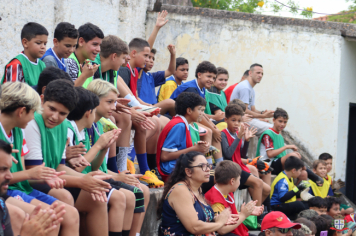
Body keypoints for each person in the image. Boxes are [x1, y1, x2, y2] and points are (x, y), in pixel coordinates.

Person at [24, 79, 113, 236]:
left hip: (49, 178)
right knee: (63, 196)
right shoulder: (32, 122)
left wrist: (88, 179)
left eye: (63, 113)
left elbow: (59, 166)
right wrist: (81, 180)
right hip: (32, 181)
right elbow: (34, 172)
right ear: (42, 99)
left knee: (98, 199)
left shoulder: (63, 125)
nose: (55, 117)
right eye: (51, 109)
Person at [0, 82, 80, 236]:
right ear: (22, 111)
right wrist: (31, 174)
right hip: (6, 191)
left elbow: (21, 177)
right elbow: (14, 178)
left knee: (69, 214)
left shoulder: (18, 131)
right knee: (48, 218)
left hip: (19, 188)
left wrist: (42, 176)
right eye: (33, 113)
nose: (34, 118)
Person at [158, 151, 238, 235]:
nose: (208, 169)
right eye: (202, 166)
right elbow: (194, 227)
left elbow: (200, 217)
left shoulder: (197, 189)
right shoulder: (180, 190)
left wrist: (218, 219)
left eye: (208, 165)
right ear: (188, 172)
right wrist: (219, 223)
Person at [0, 140, 67, 236]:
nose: (10, 176)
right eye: (2, 169)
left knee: (50, 218)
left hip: (21, 189)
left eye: (9, 169)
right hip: (13, 191)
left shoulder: (2, 207)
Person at [256, 108, 323, 185]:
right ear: (274, 120)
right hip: (267, 164)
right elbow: (270, 154)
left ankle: (297, 194)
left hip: (276, 163)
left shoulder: (279, 135)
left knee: (304, 174)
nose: (282, 124)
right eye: (280, 121)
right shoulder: (268, 134)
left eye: (285, 122)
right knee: (293, 155)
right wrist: (286, 147)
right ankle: (313, 176)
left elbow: (281, 156)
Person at [221, 104, 270, 207]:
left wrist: (246, 141)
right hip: (231, 168)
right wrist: (239, 137)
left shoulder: (237, 134)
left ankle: (252, 212)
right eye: (233, 120)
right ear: (226, 119)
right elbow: (228, 155)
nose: (236, 124)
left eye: (239, 121)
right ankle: (257, 216)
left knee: (267, 190)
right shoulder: (223, 134)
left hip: (239, 166)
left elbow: (242, 154)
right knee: (258, 183)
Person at [156, 92, 209, 181]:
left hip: (180, 167)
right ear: (189, 111)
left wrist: (200, 148)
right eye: (200, 110)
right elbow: (165, 156)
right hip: (171, 170)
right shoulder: (179, 125)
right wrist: (194, 149)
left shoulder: (184, 123)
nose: (202, 114)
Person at [205, 161, 264, 236]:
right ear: (232, 181)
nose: (239, 182)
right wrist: (243, 215)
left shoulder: (227, 191)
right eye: (239, 179)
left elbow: (231, 216)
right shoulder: (215, 200)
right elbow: (222, 230)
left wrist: (247, 211)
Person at [230, 63, 274, 136]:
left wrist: (263, 113)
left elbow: (252, 109)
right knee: (273, 129)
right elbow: (245, 110)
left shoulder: (251, 88)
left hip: (247, 118)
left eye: (262, 74)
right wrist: (263, 116)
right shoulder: (245, 87)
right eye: (258, 73)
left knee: (270, 125)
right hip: (239, 119)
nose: (260, 75)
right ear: (250, 73)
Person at [137, 46, 176, 117]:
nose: (151, 61)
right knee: (170, 102)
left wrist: (173, 54)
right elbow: (148, 44)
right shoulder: (138, 73)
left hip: (154, 107)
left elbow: (170, 71)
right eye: (148, 57)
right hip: (143, 108)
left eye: (153, 59)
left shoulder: (152, 76)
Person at [67, 22, 102, 87]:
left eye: (100, 45)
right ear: (81, 42)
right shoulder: (69, 61)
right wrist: (85, 75)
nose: (99, 49)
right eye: (95, 44)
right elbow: (69, 92)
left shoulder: (89, 63)